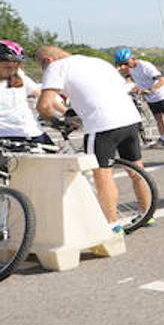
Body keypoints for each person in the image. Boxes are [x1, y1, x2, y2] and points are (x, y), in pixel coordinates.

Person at [35, 46, 152, 230]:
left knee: (102, 175)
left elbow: (44, 105)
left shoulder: (56, 67)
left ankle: (111, 225)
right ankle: (147, 213)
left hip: (101, 124)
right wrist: (70, 112)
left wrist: (59, 121)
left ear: (47, 61)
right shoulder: (97, 61)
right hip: (129, 118)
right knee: (136, 169)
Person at [113, 47, 164, 145]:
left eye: (126, 63)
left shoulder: (145, 66)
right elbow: (139, 82)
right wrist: (134, 89)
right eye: (122, 64)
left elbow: (161, 80)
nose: (124, 66)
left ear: (132, 58)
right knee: (158, 118)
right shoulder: (131, 69)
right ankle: (163, 138)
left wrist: (150, 90)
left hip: (162, 95)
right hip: (151, 98)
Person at [0, 40, 52, 146]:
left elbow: (41, 94)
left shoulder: (19, 76)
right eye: (8, 66)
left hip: (29, 132)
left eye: (17, 65)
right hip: (17, 134)